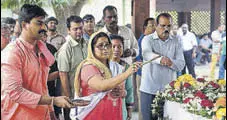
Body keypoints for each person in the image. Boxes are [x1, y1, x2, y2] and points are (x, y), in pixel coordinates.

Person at [1, 4, 81, 120]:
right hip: (18, 116)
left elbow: (42, 86)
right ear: (24, 25)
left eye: (44, 23)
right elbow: (15, 92)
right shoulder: (13, 52)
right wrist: (53, 100)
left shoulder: (40, 49)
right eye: (39, 23)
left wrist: (51, 113)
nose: (44, 27)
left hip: (41, 115)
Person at [70, 32, 141, 120]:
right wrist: (127, 73)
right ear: (92, 49)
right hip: (93, 114)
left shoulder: (115, 67)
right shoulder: (88, 67)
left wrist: (122, 93)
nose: (105, 48)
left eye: (107, 45)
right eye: (100, 45)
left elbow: (123, 89)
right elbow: (102, 86)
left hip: (113, 112)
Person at [140, 13, 185, 120]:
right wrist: (161, 59)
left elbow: (181, 64)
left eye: (168, 26)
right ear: (156, 25)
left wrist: (170, 62)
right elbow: (146, 54)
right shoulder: (147, 39)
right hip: (149, 89)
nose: (166, 29)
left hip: (169, 92)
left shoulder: (176, 41)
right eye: (162, 26)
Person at [56, 15, 88, 120]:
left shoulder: (87, 44)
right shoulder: (65, 49)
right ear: (68, 30)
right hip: (73, 96)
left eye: (80, 28)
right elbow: (63, 75)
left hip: (86, 93)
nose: (79, 31)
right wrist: (70, 100)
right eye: (75, 29)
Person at [135, 17, 156, 120]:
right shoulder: (143, 40)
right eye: (151, 25)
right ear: (145, 27)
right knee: (143, 103)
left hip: (151, 76)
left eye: (155, 25)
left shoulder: (153, 39)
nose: (154, 28)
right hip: (142, 74)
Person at [110, 34, 135, 120]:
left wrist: (129, 109)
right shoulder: (103, 65)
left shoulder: (126, 67)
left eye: (119, 47)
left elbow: (129, 89)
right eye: (113, 46)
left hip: (121, 106)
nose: (116, 49)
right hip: (106, 105)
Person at [40, 31, 62, 119]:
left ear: (46, 37)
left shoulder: (51, 49)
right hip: (34, 93)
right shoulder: (27, 51)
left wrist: (44, 79)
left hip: (50, 88)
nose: (41, 39)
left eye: (43, 36)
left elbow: (59, 71)